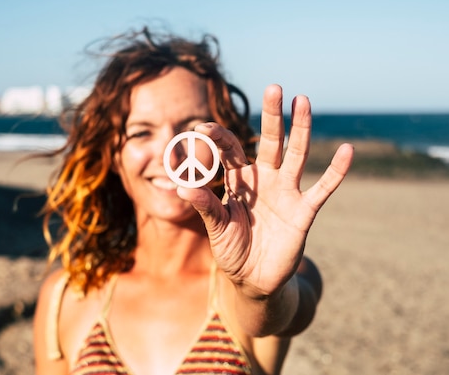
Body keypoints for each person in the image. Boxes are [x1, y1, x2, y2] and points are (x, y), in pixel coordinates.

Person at [33, 27, 354, 375]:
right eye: (141, 132)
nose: (171, 156)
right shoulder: (65, 298)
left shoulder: (262, 275)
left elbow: (286, 309)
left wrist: (259, 293)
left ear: (221, 142)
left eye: (191, 130)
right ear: (113, 154)